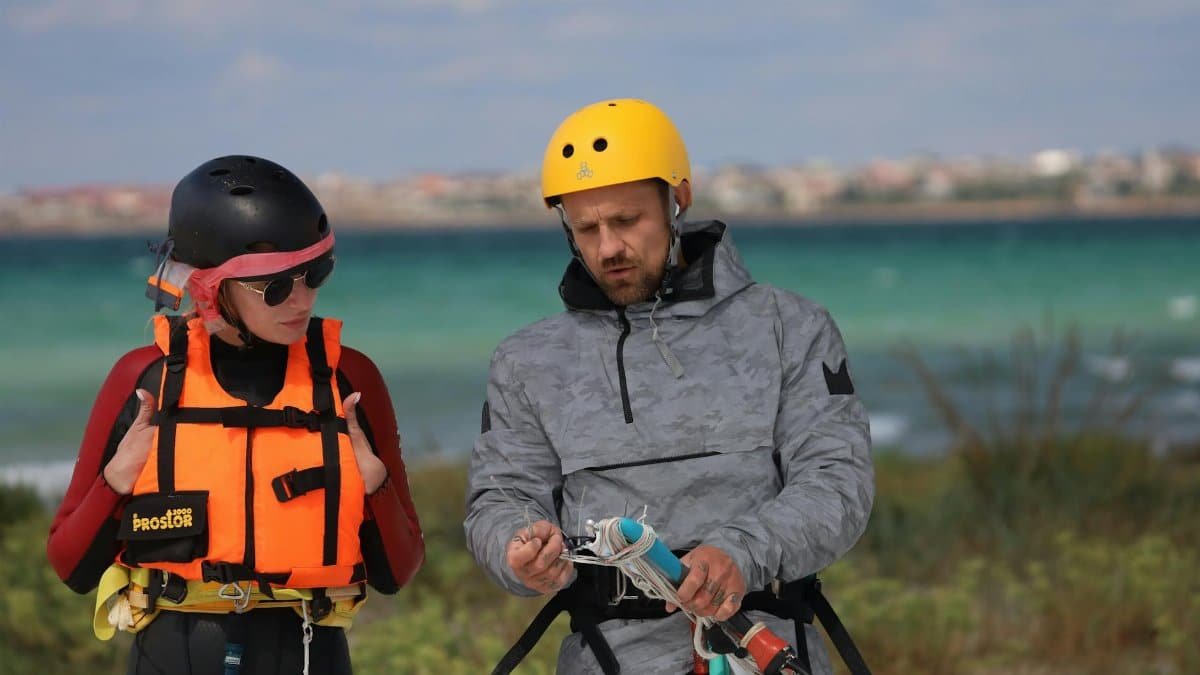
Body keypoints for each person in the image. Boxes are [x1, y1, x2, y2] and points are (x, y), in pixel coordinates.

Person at [464, 99, 874, 674]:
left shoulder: (790, 327)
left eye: (627, 221)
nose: (608, 248)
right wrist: (516, 550)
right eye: (586, 228)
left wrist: (741, 552)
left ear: (677, 201)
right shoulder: (525, 361)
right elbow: (499, 499)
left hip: (766, 650)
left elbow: (839, 484)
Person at [46, 155, 424, 675]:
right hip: (170, 656)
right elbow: (71, 566)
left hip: (310, 653)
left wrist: (375, 485)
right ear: (208, 287)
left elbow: (397, 573)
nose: (304, 298)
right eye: (275, 285)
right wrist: (115, 481)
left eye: (316, 274)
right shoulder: (144, 379)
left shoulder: (349, 379)